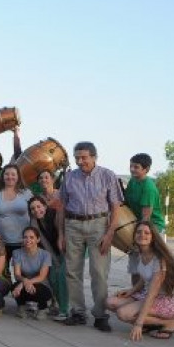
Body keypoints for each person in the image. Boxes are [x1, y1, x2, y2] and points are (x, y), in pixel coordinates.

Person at [60, 141, 123, 331]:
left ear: (94, 157)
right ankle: (78, 312)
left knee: (99, 272)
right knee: (72, 271)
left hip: (99, 225)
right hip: (73, 224)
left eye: (84, 157)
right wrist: (61, 234)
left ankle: (100, 315)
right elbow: (62, 207)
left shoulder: (107, 175)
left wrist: (110, 233)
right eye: (77, 157)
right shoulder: (69, 177)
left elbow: (116, 207)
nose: (80, 161)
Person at [108, 222, 174, 340]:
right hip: (150, 295)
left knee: (123, 313)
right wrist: (131, 291)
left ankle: (169, 323)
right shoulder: (141, 252)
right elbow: (144, 279)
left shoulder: (159, 260)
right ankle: (149, 324)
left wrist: (138, 323)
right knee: (111, 302)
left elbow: (152, 294)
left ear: (153, 237)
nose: (142, 235)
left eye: (147, 233)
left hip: (169, 300)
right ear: (134, 235)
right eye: (139, 232)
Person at [28, 195, 68, 320]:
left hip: (66, 250)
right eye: (33, 209)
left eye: (39, 206)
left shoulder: (55, 216)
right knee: (52, 276)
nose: (36, 210)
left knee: (61, 276)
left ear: (45, 206)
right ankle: (55, 305)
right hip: (52, 254)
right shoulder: (34, 223)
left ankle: (64, 310)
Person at [0, 164, 33, 261]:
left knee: (21, 271)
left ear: (18, 177)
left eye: (13, 174)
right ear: (3, 176)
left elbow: (33, 215)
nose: (10, 177)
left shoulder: (27, 193)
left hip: (24, 241)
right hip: (0, 241)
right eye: (7, 174)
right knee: (4, 273)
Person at [11, 226, 54, 319]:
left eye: (31, 237)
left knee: (39, 290)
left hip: (40, 285)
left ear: (38, 239)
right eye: (25, 237)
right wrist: (24, 281)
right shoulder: (16, 253)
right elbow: (17, 274)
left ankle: (43, 308)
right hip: (26, 285)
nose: (28, 240)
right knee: (14, 286)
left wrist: (24, 283)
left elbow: (42, 277)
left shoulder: (45, 254)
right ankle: (21, 307)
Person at [125, 153, 165, 233]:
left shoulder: (148, 188)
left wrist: (139, 232)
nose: (132, 169)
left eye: (136, 167)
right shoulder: (132, 181)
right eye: (131, 166)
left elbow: (145, 217)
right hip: (137, 221)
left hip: (152, 225)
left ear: (146, 169)